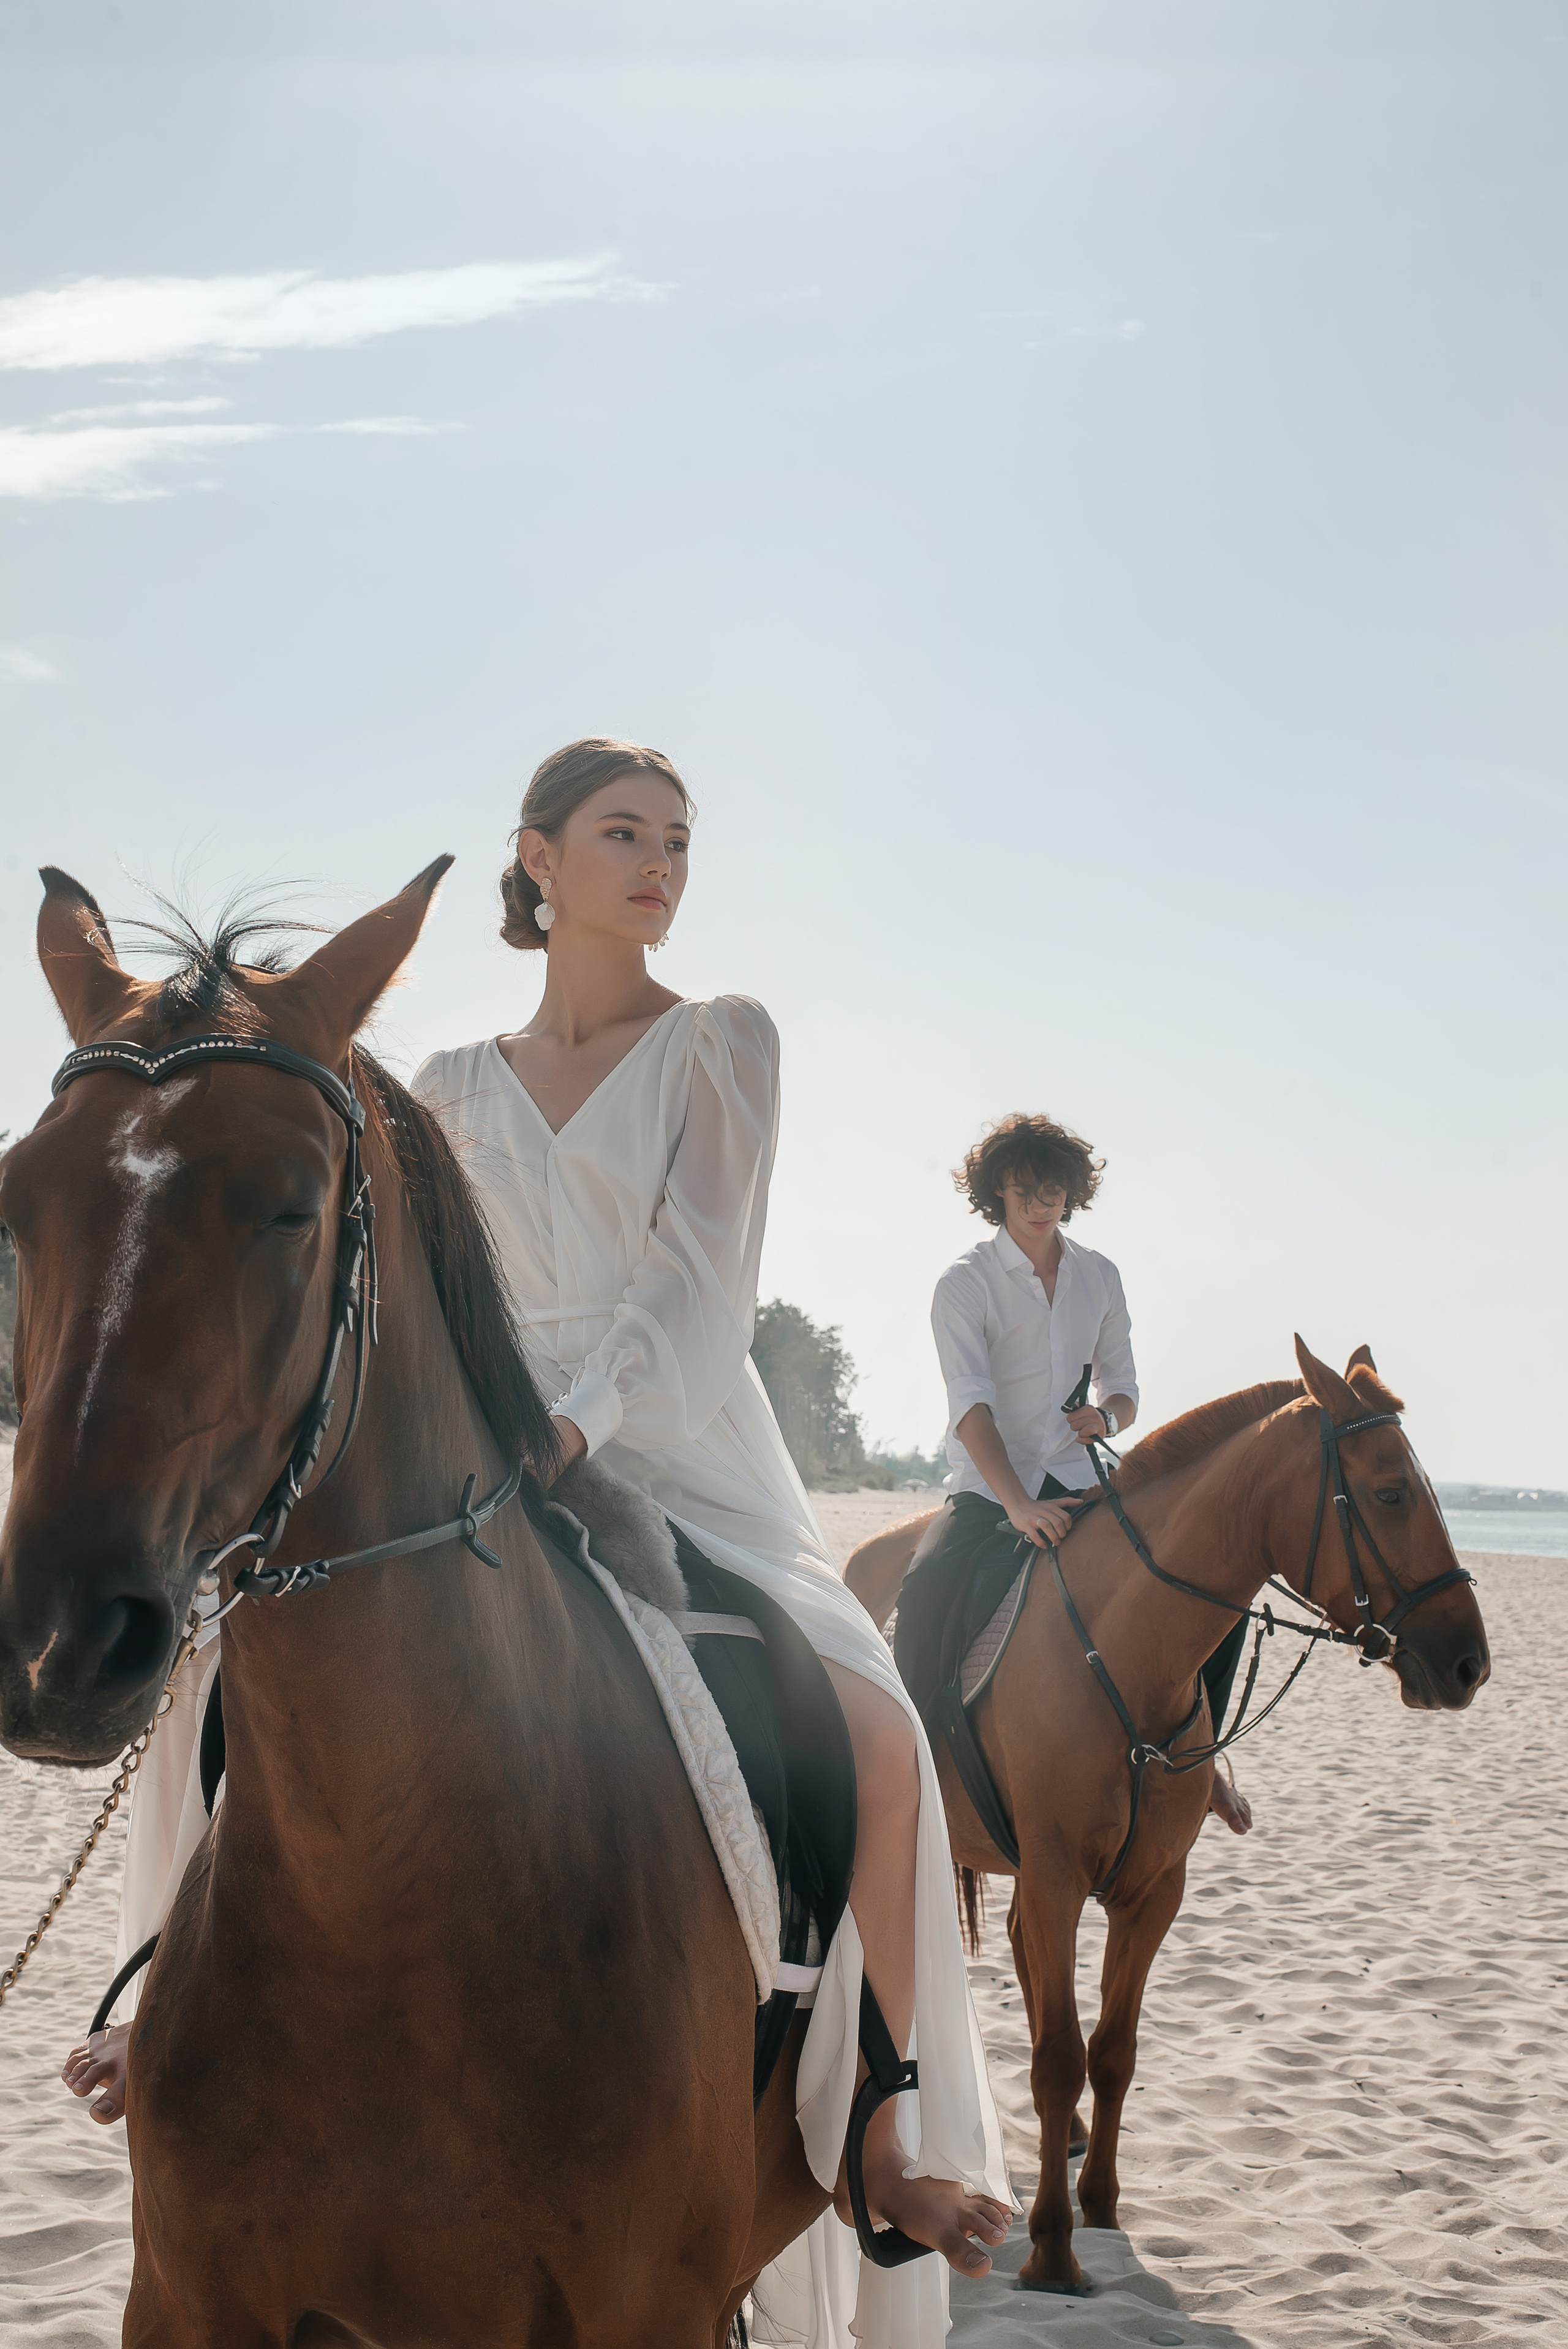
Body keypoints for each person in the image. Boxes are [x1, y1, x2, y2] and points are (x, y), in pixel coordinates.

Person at [67, 738, 1011, 2349]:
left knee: (875, 1729)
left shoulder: (721, 1039)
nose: (659, 865)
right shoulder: (443, 1081)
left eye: (678, 841)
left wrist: (567, 1429)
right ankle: (163, 1997)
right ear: (537, 857)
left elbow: (699, 1289)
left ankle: (880, 2121)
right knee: (227, 1653)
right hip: (467, 1446)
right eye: (624, 833)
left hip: (672, 1446)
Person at [889, 1113, 1252, 1834]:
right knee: (924, 1591)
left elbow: (1125, 1389)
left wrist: (1107, 1420)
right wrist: (1017, 1506)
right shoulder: (964, 1282)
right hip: (989, 1489)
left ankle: (1201, 1762)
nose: (1039, 1203)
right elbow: (970, 1407)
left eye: (1052, 1190)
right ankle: (908, 1767)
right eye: (1024, 1190)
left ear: (1072, 1192)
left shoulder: (1099, 1275)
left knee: (1214, 1588)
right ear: (998, 1190)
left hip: (1079, 1479)